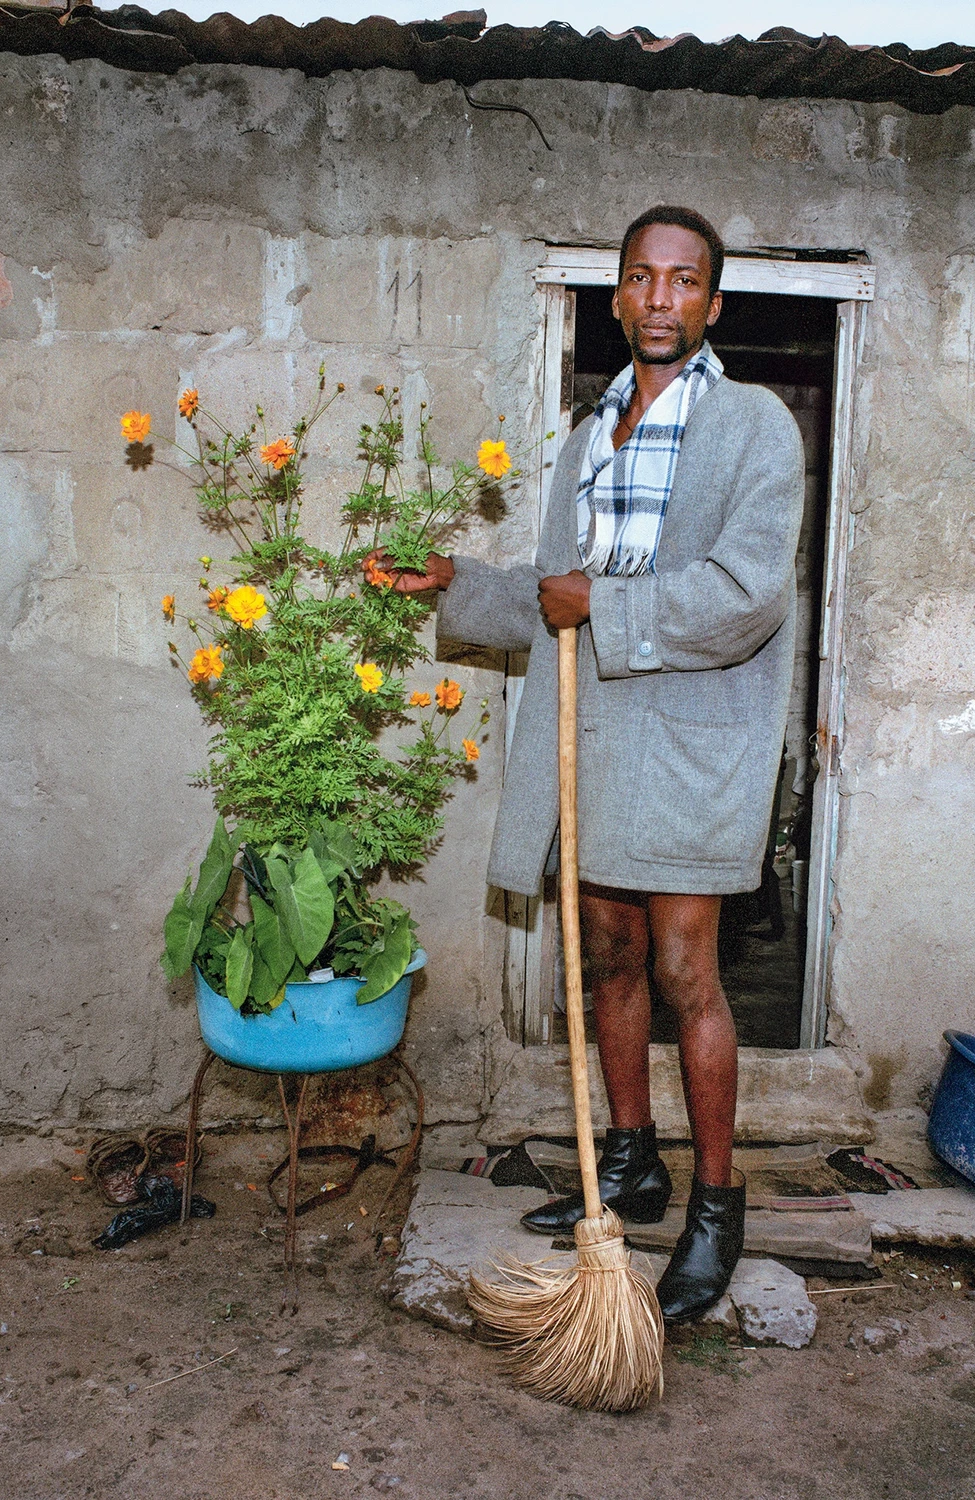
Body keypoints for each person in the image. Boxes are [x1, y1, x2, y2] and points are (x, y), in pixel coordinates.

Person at [371, 205, 805, 1321]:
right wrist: (458, 582)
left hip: (692, 741)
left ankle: (717, 1204)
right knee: (606, 956)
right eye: (641, 280)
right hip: (594, 733)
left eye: (683, 282)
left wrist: (598, 602)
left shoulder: (754, 427)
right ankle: (629, 1164)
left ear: (713, 303)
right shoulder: (588, 436)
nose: (660, 300)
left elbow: (747, 596)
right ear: (615, 298)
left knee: (685, 974)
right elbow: (555, 601)